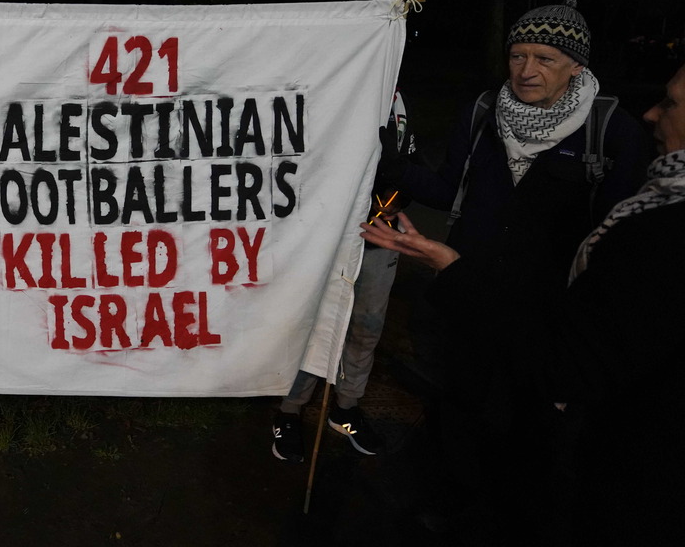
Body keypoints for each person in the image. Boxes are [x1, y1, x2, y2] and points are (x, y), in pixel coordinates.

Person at [360, 62, 685, 542]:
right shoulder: (484, 112)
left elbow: (614, 238)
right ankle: (458, 500)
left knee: (522, 434)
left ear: (576, 64)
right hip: (475, 306)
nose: (526, 69)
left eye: (545, 57)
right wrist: (396, 168)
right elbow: (451, 187)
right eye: (518, 54)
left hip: (545, 322)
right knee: (462, 409)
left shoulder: (610, 130)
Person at [272, 90, 417, 462]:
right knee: (313, 321)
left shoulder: (397, 100)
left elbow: (406, 172)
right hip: (325, 237)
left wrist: (393, 195)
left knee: (366, 325)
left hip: (379, 239)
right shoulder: (339, 78)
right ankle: (289, 410)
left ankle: (346, 409)